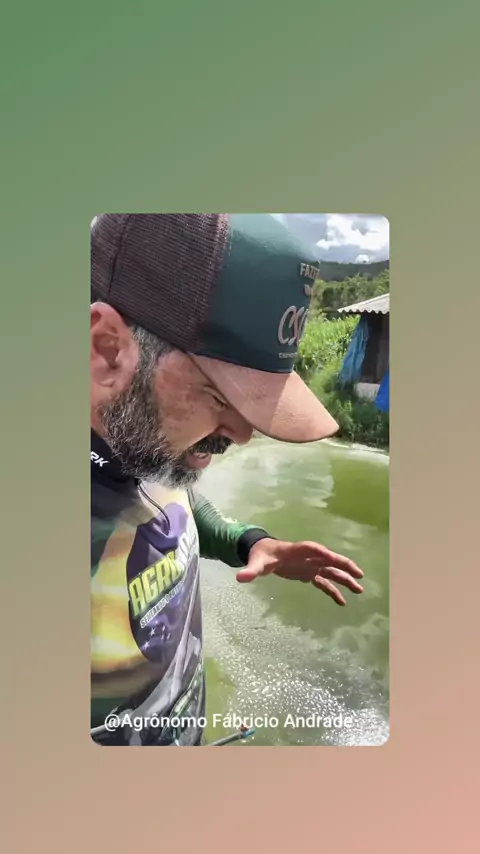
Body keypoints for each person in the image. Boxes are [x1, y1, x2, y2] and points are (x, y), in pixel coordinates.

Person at [90, 213, 364, 746]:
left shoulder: (146, 447)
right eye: (220, 396)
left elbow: (173, 503)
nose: (242, 434)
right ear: (108, 350)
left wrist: (247, 542)